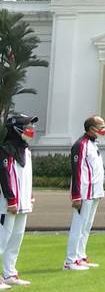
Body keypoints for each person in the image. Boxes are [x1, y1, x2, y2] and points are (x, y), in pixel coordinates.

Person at [0, 113, 38, 288]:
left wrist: (28, 195)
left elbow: (26, 177)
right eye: (28, 126)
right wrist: (11, 199)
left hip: (23, 203)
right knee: (2, 239)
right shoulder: (5, 150)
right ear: (16, 129)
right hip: (8, 204)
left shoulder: (26, 151)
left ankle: (10, 273)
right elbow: (5, 176)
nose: (31, 129)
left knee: (16, 238)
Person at [64, 115, 105, 271]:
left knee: (86, 226)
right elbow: (77, 171)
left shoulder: (93, 144)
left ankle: (80, 256)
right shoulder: (80, 145)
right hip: (83, 192)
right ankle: (70, 260)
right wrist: (76, 195)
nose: (103, 129)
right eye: (100, 126)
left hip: (94, 192)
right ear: (91, 128)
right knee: (78, 226)